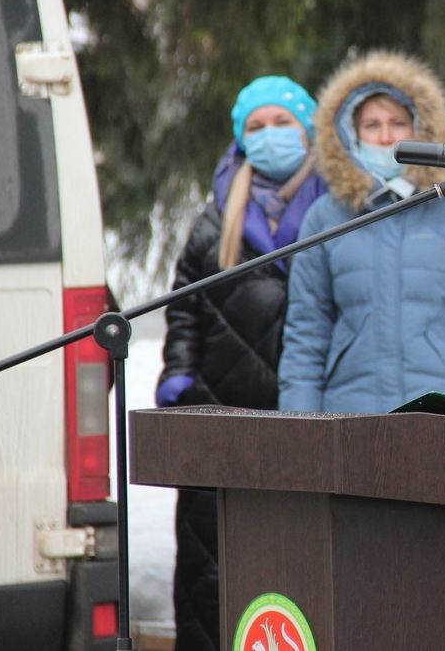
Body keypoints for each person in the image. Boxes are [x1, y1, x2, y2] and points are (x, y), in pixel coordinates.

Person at [155, 75, 327, 651]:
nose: (270, 136)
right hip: (221, 416)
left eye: (283, 124)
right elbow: (184, 307)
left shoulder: (339, 209)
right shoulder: (213, 221)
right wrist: (179, 377)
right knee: (212, 571)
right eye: (256, 127)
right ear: (239, 139)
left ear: (308, 131)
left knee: (304, 571)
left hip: (311, 418)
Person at [278, 49, 445, 414]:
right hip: (347, 418)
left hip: (443, 415)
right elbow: (306, 337)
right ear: (349, 134)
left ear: (421, 128)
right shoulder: (324, 218)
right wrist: (299, 428)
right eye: (372, 125)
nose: (386, 136)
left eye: (398, 123)